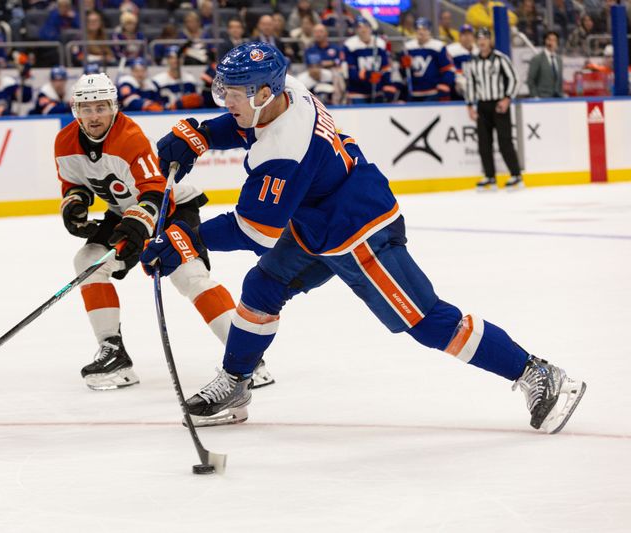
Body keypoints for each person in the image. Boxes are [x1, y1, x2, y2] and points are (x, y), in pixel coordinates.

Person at [142, 42, 586, 435]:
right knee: (262, 287)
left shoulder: (284, 150)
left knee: (427, 321)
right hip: (319, 223)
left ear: (263, 93)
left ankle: (537, 373)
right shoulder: (286, 89)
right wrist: (201, 134)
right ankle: (236, 383)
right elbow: (243, 125)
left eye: (233, 96)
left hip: (360, 231)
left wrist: (185, 238)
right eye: (225, 93)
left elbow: (255, 231)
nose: (226, 102)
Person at [53, 72, 273, 390]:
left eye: (100, 107)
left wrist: (137, 230)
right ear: (76, 111)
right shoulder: (64, 141)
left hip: (170, 209)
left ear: (113, 107)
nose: (94, 116)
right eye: (86, 109)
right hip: (125, 213)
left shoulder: (129, 137)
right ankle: (113, 352)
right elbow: (75, 183)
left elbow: (156, 192)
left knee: (189, 277)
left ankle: (249, 359)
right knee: (88, 261)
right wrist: (73, 206)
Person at [465, 29, 523, 190]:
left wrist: (507, 98)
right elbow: (470, 84)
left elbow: (514, 78)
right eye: (479, 38)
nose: (482, 41)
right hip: (482, 105)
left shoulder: (500, 58)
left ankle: (516, 175)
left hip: (499, 104)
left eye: (485, 38)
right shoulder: (473, 61)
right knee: (484, 142)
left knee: (505, 141)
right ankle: (490, 176)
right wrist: (470, 105)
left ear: (490, 40)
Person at [343, 17, 393, 104]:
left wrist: (382, 78)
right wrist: (368, 75)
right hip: (357, 90)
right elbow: (351, 71)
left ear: (370, 28)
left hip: (377, 89)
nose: (363, 30)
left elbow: (386, 67)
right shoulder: (350, 45)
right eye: (359, 27)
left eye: (365, 27)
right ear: (356, 30)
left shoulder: (380, 44)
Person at [404, 18, 454, 101]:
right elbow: (404, 73)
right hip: (414, 92)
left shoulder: (438, 46)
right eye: (418, 29)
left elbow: (448, 68)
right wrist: (404, 66)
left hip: (433, 92)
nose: (421, 32)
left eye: (424, 29)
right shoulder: (408, 48)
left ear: (429, 31)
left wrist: (444, 83)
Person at [152, 46, 204, 110]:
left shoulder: (190, 79)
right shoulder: (158, 81)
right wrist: (173, 106)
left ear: (182, 59)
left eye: (178, 57)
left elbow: (197, 103)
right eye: (172, 58)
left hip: (186, 115)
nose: (175, 60)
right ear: (167, 60)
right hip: (165, 117)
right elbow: (155, 105)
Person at [527, 31, 564, 98]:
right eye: (549, 39)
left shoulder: (559, 60)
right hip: (542, 98)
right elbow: (530, 80)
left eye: (554, 40)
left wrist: (561, 93)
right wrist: (535, 96)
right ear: (545, 41)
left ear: (557, 43)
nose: (551, 42)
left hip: (557, 98)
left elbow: (559, 80)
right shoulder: (537, 59)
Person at [447, 24, 477, 100]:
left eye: (469, 34)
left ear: (473, 37)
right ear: (459, 37)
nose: (467, 37)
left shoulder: (478, 50)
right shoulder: (451, 50)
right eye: (464, 34)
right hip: (458, 81)